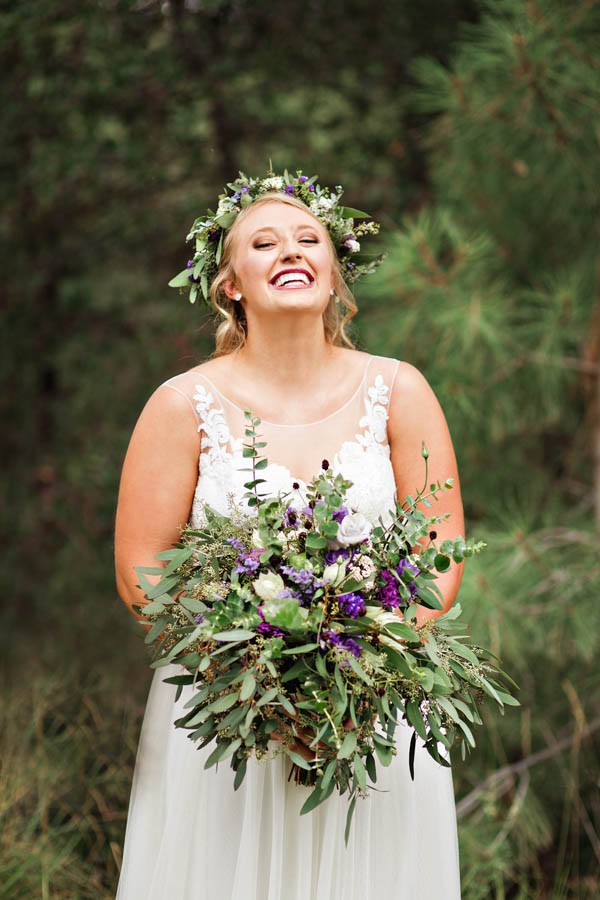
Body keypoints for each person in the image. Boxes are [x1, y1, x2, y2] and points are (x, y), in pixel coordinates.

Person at [114, 170, 464, 899]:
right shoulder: (181, 405)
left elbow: (437, 553)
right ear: (230, 284)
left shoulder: (400, 391)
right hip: (226, 716)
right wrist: (255, 686)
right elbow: (140, 569)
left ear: (336, 272)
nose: (290, 251)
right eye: (263, 242)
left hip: (371, 716)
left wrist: (359, 678)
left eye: (310, 239)